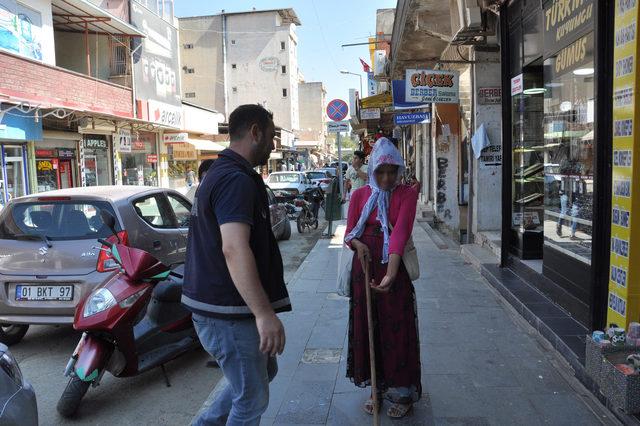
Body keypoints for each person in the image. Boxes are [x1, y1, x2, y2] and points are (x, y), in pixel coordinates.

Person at [183, 104, 291, 426]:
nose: (273, 146)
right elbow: (233, 248)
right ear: (255, 131)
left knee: (262, 373)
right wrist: (264, 315)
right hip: (227, 313)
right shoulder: (234, 180)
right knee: (252, 398)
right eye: (271, 137)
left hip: (221, 309)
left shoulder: (224, 173)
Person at [344, 137, 421, 419]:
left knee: (396, 327)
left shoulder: (406, 195)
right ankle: (375, 389)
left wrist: (390, 275)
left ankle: (401, 391)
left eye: (392, 171)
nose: (387, 178)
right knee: (368, 326)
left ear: (398, 170)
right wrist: (358, 244)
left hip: (393, 267)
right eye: (381, 171)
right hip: (363, 268)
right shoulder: (359, 195)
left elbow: (399, 233)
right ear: (373, 168)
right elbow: (349, 233)